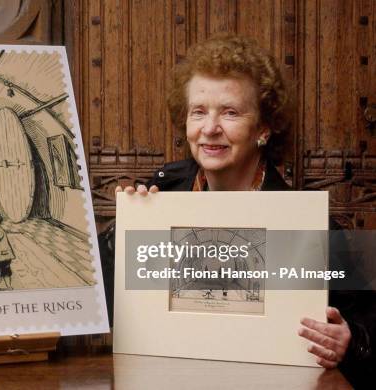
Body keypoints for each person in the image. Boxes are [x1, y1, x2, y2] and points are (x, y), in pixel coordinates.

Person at [109, 35, 375, 388]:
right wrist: (123, 236)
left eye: (230, 112)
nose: (209, 128)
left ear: (263, 128)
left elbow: (369, 322)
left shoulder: (309, 227)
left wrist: (349, 340)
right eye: (198, 112)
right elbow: (112, 306)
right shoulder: (159, 196)